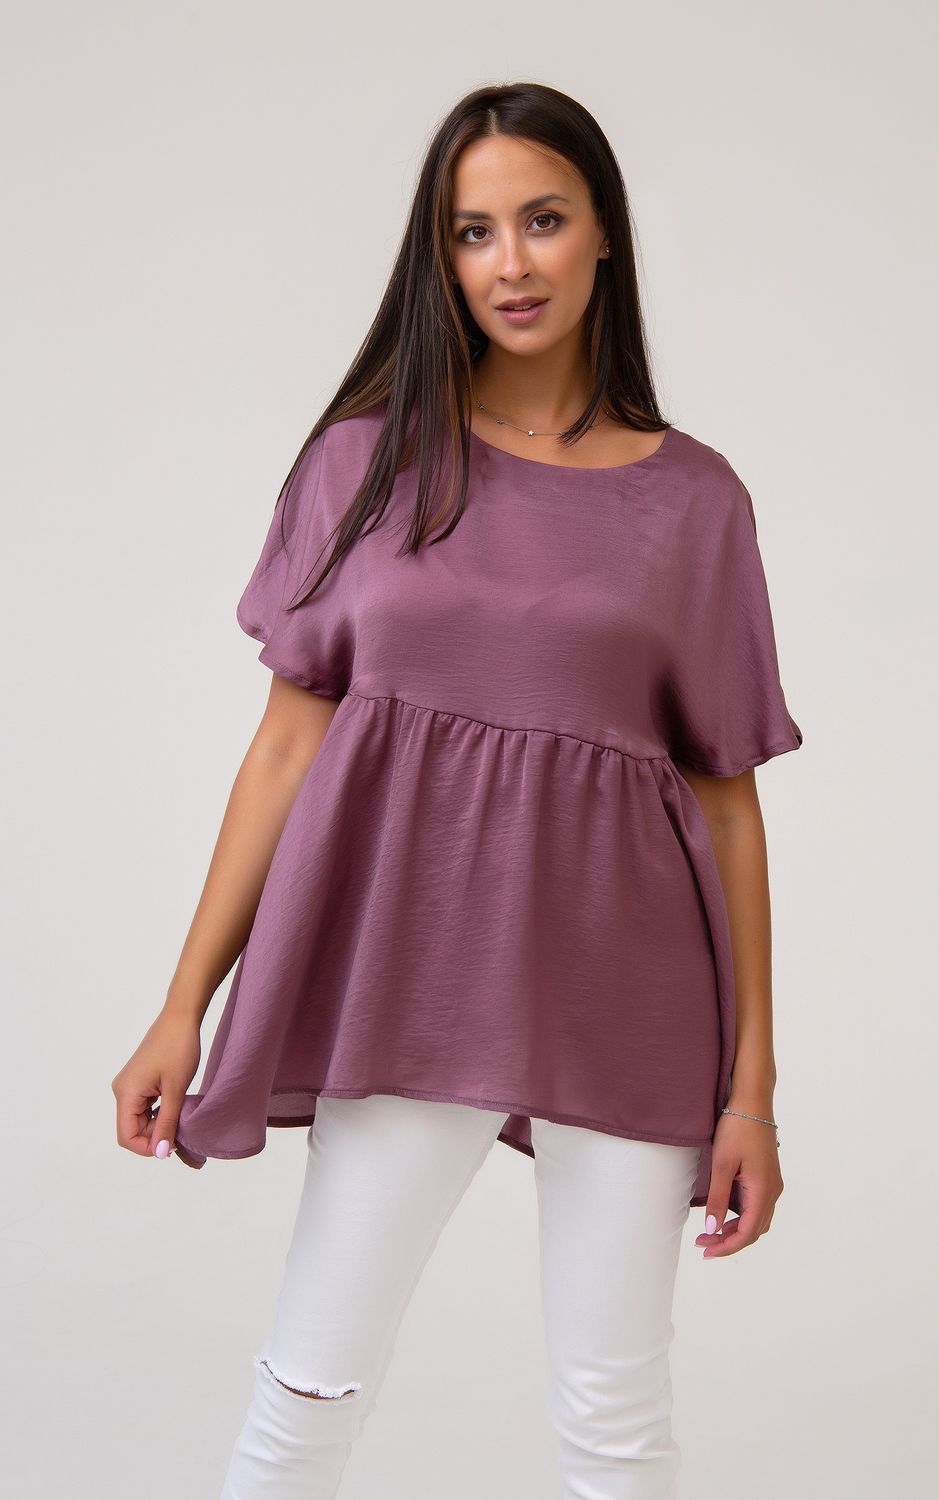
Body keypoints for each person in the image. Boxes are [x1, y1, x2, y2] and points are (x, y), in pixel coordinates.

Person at [111, 80, 803, 1499]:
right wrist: (184, 1004)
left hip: (630, 994)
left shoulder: (697, 502)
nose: (510, 263)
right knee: (310, 1387)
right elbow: (286, 749)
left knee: (615, 1420)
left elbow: (728, 807)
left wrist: (753, 1095)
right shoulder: (365, 463)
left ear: (603, 233)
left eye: (542, 220)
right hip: (407, 975)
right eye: (473, 232)